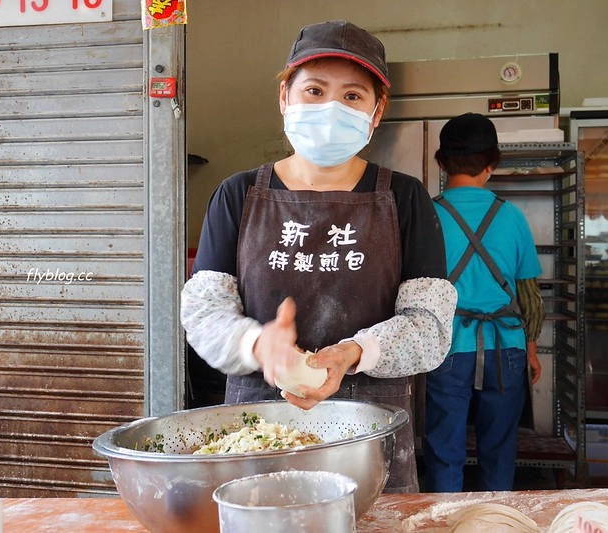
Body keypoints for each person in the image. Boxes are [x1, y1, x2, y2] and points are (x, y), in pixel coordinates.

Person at [180, 20, 457, 493]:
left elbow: (429, 326)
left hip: (370, 436)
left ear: (377, 110)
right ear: (284, 97)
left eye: (352, 96)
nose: (331, 107)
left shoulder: (406, 199)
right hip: (257, 431)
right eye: (314, 90)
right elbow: (204, 311)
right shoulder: (238, 195)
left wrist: (354, 352)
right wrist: (259, 346)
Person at [423, 113, 545, 492]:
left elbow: (414, 290)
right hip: (505, 346)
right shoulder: (512, 217)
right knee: (499, 448)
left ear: (441, 163)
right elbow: (529, 295)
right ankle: (497, 521)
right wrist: (532, 348)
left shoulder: (429, 216)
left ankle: (444, 520)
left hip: (445, 346)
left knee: (444, 448)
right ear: (492, 164)